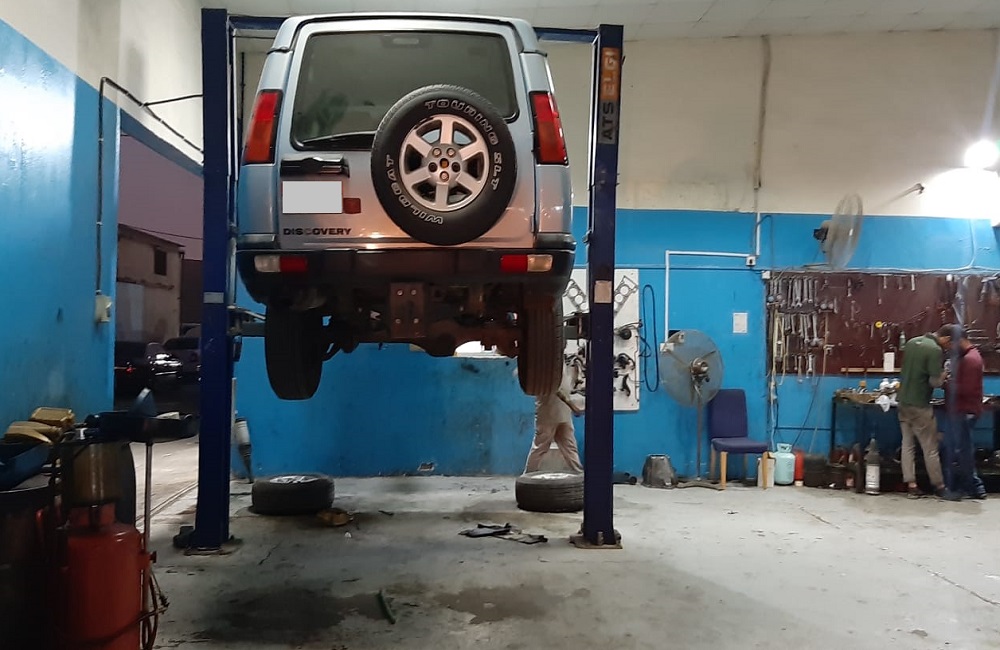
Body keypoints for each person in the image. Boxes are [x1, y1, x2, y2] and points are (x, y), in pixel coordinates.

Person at [897, 330, 960, 500]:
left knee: (907, 444)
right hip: (920, 405)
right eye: (950, 343)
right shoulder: (935, 350)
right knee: (930, 447)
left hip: (903, 401)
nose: (950, 347)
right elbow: (934, 382)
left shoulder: (912, 342)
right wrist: (945, 374)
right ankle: (939, 486)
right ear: (946, 338)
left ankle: (911, 485)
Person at [937, 324, 987, 499]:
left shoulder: (970, 360)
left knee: (959, 451)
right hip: (963, 410)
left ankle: (971, 487)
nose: (949, 349)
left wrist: (945, 384)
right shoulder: (969, 357)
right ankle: (972, 487)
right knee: (962, 450)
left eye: (949, 345)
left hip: (964, 411)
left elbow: (966, 389)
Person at [524, 364, 584, 474]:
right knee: (540, 447)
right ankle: (527, 475)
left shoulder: (561, 364)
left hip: (563, 413)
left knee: (569, 447)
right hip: (548, 413)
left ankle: (579, 474)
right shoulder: (546, 365)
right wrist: (572, 406)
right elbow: (555, 388)